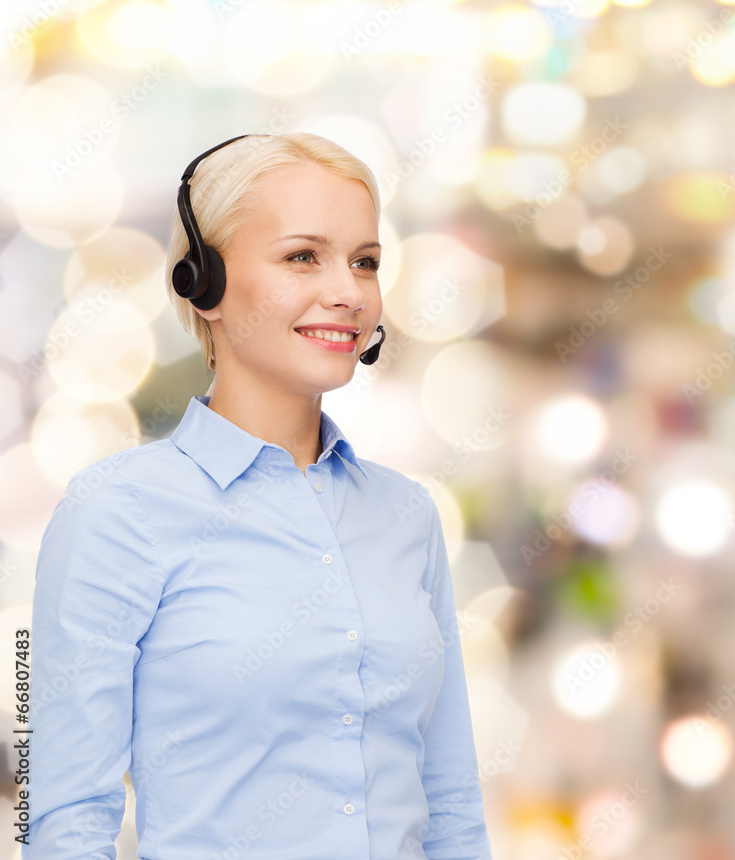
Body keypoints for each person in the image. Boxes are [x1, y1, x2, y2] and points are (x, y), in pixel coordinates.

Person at [26, 132, 493, 859]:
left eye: (364, 262)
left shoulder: (407, 516)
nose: (347, 291)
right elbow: (66, 823)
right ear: (201, 283)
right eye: (303, 255)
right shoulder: (117, 513)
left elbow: (452, 802)